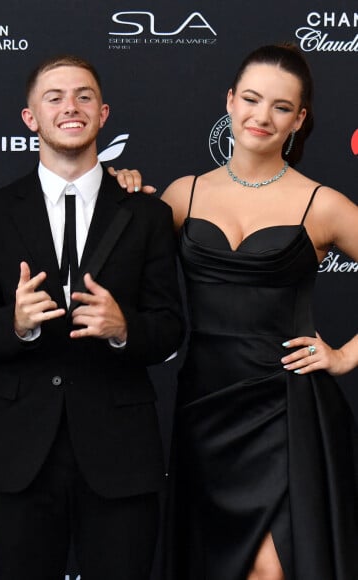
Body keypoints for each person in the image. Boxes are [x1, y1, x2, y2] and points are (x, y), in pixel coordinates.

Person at [0, 54, 184, 580]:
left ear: (103, 114)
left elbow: (172, 327)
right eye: (54, 97)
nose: (70, 107)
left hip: (119, 450)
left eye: (84, 96)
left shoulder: (146, 212)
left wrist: (125, 328)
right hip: (17, 450)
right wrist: (15, 323)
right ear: (29, 118)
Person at [160, 43, 358, 580]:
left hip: (286, 408)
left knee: (270, 571)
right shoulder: (185, 194)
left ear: (299, 118)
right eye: (251, 99)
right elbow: (123, 263)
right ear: (229, 101)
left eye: (280, 106)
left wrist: (343, 355)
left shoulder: (323, 203)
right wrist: (126, 187)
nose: (261, 116)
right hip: (204, 406)